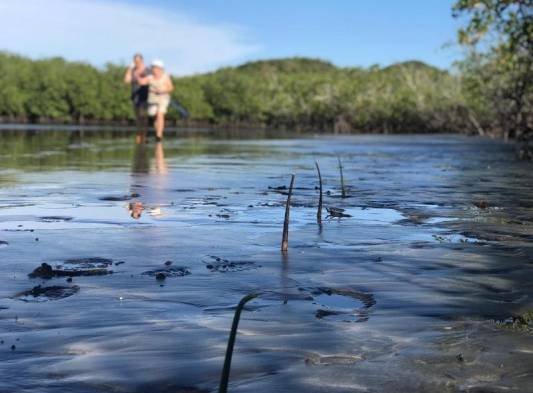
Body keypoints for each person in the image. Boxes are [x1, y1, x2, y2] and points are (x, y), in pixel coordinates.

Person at [137, 59, 174, 142]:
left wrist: (162, 91)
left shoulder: (165, 76)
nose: (154, 69)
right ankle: (157, 132)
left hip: (163, 97)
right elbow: (142, 82)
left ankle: (159, 135)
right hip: (152, 98)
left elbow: (171, 87)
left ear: (160, 68)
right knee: (154, 115)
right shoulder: (150, 77)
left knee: (160, 114)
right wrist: (138, 75)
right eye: (153, 67)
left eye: (156, 68)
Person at [123, 53, 149, 143]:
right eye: (135, 61)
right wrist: (130, 68)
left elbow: (145, 82)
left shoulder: (147, 70)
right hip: (135, 97)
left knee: (143, 117)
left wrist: (138, 77)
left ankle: (143, 136)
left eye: (138, 61)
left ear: (142, 61)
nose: (136, 62)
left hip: (145, 96)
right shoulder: (132, 70)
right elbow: (126, 80)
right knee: (138, 118)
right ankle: (139, 136)